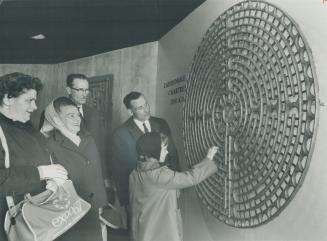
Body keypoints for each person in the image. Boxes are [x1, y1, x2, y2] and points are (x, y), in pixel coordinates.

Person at [0, 72, 68, 240]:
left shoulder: (26, 125)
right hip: (9, 223)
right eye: (29, 100)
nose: (35, 107)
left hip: (36, 217)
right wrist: (41, 173)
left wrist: (54, 181)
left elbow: (47, 156)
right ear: (8, 99)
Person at [40, 96, 110, 241]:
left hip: (93, 207)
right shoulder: (49, 144)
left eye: (77, 115)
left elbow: (97, 173)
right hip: (70, 211)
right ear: (57, 119)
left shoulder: (88, 139)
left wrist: (101, 203)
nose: (77, 119)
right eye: (70, 116)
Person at [129, 132, 219, 241]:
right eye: (163, 148)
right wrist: (208, 159)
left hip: (143, 229)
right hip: (160, 231)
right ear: (154, 150)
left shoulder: (135, 172)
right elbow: (191, 177)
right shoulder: (159, 175)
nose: (167, 152)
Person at [112, 91, 180, 212]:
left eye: (146, 104)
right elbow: (120, 171)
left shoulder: (161, 123)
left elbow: (173, 154)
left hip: (166, 190)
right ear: (130, 111)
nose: (146, 110)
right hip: (140, 196)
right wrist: (126, 202)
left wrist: (178, 184)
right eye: (140, 108)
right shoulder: (120, 134)